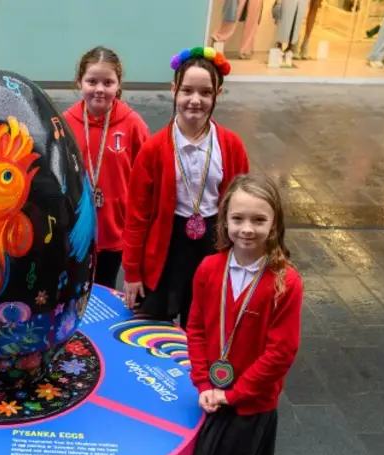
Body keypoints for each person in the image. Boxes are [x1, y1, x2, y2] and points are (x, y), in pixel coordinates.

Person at [185, 173, 303, 455]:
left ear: (275, 225)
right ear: (224, 222)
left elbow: (280, 353)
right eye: (238, 219)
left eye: (258, 220)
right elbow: (197, 327)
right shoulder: (207, 269)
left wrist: (232, 393)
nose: (247, 229)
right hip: (214, 389)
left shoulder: (285, 282)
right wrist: (203, 381)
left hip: (251, 396)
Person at [121, 46, 250, 323]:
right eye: (187, 90)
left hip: (211, 246)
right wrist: (131, 272)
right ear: (173, 90)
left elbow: (242, 208)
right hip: (165, 248)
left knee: (202, 328)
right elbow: (136, 216)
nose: (195, 100)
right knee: (152, 332)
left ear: (218, 94)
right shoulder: (153, 149)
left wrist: (241, 263)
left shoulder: (231, 146)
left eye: (205, 92)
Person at [63, 46, 150, 289]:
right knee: (76, 287)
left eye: (108, 82)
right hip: (78, 228)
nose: (99, 89)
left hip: (115, 228)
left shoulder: (133, 124)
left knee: (106, 286)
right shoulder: (65, 123)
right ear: (79, 81)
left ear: (118, 85)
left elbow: (146, 177)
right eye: (92, 81)